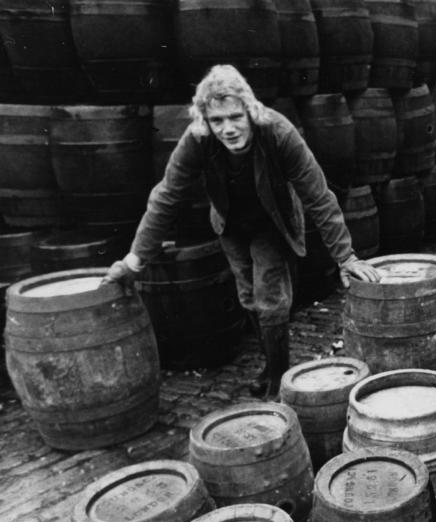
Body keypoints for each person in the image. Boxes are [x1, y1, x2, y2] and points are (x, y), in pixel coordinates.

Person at [104, 64, 379, 397]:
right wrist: (133, 263)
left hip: (272, 221)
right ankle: (270, 365)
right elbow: (165, 197)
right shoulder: (198, 140)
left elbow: (318, 195)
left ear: (250, 110)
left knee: (270, 296)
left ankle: (280, 377)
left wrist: (345, 257)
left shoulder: (278, 132)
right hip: (231, 222)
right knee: (248, 296)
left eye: (235, 117)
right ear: (205, 121)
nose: (228, 129)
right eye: (217, 120)